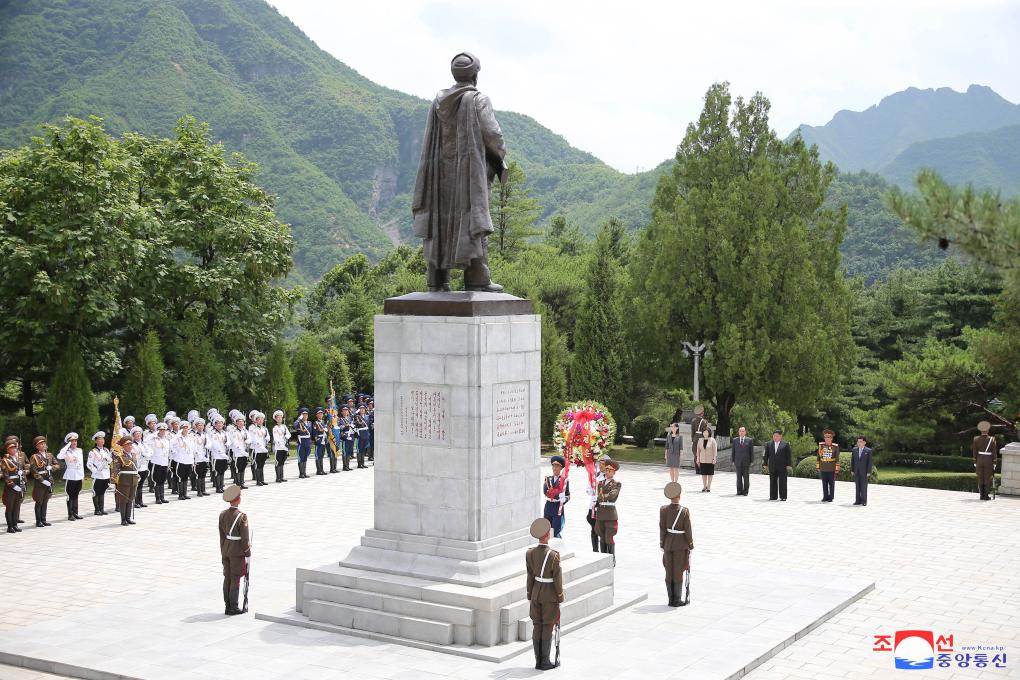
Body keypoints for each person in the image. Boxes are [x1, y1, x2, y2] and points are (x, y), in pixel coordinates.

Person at [412, 52, 507, 293]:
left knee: (439, 222)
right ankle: (477, 278)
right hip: (469, 173)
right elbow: (492, 135)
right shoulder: (478, 100)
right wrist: (500, 156)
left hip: (439, 175)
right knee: (472, 219)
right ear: (475, 74)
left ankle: (437, 279)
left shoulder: (437, 102)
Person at [526, 518, 563, 671]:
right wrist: (560, 597)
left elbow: (529, 576)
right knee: (547, 626)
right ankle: (545, 662)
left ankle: (537, 661)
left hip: (535, 593)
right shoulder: (554, 555)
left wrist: (530, 594)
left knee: (537, 626)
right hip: (549, 596)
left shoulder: (530, 553)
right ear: (548, 534)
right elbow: (557, 579)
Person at [219, 484, 251, 616]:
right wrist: (247, 552)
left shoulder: (222, 515)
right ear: (237, 499)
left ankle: (227, 605)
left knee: (227, 577)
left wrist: (223, 549)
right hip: (237, 552)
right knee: (235, 578)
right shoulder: (241, 516)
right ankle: (233, 606)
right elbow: (244, 538)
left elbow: (221, 535)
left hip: (226, 549)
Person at [659, 482, 693, 607]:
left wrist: (662, 544)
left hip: (668, 543)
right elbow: (688, 529)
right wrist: (690, 544)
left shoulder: (663, 509)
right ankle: (677, 600)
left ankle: (670, 599)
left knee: (669, 571)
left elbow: (662, 528)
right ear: (679, 495)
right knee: (678, 571)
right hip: (680, 545)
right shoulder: (684, 511)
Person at [595, 459, 621, 564]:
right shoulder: (600, 483)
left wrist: (602, 497)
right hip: (601, 513)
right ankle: (603, 558)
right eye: (606, 470)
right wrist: (602, 497)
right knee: (601, 536)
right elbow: (599, 497)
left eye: (610, 471)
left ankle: (611, 558)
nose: (608, 472)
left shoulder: (617, 484)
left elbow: (612, 495)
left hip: (610, 514)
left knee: (609, 537)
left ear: (614, 472)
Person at [29, 435, 57, 527]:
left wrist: (52, 467)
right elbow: (34, 471)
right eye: (41, 444)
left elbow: (57, 465)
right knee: (39, 501)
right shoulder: (34, 457)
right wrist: (42, 480)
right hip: (40, 482)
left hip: (49, 479)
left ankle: (44, 519)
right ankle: (38, 520)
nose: (43, 445)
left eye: (44, 443)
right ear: (37, 447)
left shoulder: (50, 455)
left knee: (45, 501)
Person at [111, 436, 139, 526]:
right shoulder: (119, 456)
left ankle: (128, 518)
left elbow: (135, 467)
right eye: (128, 445)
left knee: (130, 499)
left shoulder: (133, 455)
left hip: (133, 480)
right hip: (124, 481)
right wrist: (112, 482)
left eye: (131, 444)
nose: (130, 446)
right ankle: (123, 520)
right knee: (123, 500)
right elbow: (115, 470)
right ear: (123, 446)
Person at [58, 432, 85, 520]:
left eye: (75, 441)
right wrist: (67, 445)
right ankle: (70, 514)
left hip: (79, 475)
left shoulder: (79, 450)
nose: (74, 443)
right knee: (70, 495)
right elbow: (59, 456)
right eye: (71, 441)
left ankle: (75, 513)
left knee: (76, 494)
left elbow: (81, 464)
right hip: (71, 476)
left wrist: (82, 476)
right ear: (68, 442)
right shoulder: (66, 452)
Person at [542, 456, 570, 539]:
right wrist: (552, 493)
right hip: (548, 506)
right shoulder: (548, 479)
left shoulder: (564, 481)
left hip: (557, 506)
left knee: (556, 531)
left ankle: (557, 548)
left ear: (561, 468)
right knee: (546, 529)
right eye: (553, 466)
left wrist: (564, 499)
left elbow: (568, 494)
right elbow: (545, 491)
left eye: (557, 466)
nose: (555, 468)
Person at [2, 438, 26, 532]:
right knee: (10, 506)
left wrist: (22, 481)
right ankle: (10, 526)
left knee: (17, 506)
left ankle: (15, 525)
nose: (14, 449)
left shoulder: (18, 459)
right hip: (10, 487)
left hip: (19, 484)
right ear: (7, 450)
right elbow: (6, 476)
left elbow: (21, 472)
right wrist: (13, 486)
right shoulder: (5, 461)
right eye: (11, 448)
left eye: (15, 448)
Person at [585, 456, 608, 552]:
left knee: (603, 531)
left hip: (603, 507)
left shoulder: (608, 477)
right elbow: (588, 491)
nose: (601, 466)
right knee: (593, 529)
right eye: (600, 463)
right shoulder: (595, 475)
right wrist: (591, 487)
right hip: (593, 506)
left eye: (603, 464)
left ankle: (604, 552)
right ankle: (595, 550)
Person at [972, 421, 999, 501]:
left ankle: (981, 495)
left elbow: (974, 451)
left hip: (979, 460)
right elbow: (994, 452)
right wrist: (994, 462)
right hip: (988, 460)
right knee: (987, 478)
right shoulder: (992, 439)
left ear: (980, 430)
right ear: (988, 430)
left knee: (980, 478)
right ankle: (986, 496)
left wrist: (974, 461)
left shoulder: (976, 439)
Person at [763, 430, 793, 501]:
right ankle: (773, 496)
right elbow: (766, 455)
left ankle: (783, 496)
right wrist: (765, 464)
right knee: (772, 481)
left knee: (783, 481)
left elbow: (788, 455)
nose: (775, 437)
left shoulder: (785, 444)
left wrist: (788, 464)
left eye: (777, 436)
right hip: (772, 466)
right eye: (774, 436)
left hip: (782, 466)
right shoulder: (769, 444)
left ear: (780, 436)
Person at [87, 431, 112, 515]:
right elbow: (89, 464)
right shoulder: (93, 452)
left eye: (102, 439)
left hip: (106, 475)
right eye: (99, 439)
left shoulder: (106, 450)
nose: (101, 441)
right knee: (96, 492)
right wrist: (96, 471)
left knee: (102, 492)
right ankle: (97, 509)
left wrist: (107, 458)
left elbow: (110, 461)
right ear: (96, 441)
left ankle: (102, 509)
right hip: (97, 475)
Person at [148, 422, 171, 504]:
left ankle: (162, 497)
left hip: (164, 462)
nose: (162, 431)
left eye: (164, 430)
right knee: (156, 480)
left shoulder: (166, 440)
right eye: (160, 430)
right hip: (156, 462)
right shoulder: (153, 438)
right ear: (157, 431)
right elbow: (146, 440)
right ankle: (157, 498)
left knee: (162, 479)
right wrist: (155, 433)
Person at [171, 421, 195, 500]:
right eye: (183, 428)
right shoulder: (177, 438)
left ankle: (185, 494)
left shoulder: (190, 437)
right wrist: (178, 434)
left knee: (186, 477)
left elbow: (193, 448)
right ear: (180, 429)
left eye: (186, 428)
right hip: (180, 460)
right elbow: (171, 444)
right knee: (180, 477)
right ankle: (180, 494)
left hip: (189, 460)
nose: (185, 430)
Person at [208, 415, 230, 494]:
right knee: (217, 471)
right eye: (218, 424)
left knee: (222, 471)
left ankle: (221, 486)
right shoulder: (212, 433)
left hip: (224, 455)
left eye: (221, 423)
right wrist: (221, 452)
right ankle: (218, 488)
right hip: (217, 455)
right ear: (215, 424)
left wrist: (228, 443)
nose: (220, 425)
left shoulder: (224, 433)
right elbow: (214, 444)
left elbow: (229, 441)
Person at [817, 429, 840, 502]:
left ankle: (831, 497)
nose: (827, 439)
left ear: (831, 438)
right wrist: (818, 466)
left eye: (828, 437)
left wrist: (837, 468)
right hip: (823, 467)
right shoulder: (821, 446)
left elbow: (837, 458)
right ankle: (825, 496)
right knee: (824, 483)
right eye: (825, 437)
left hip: (831, 468)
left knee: (831, 483)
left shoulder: (835, 446)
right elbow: (818, 457)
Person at [247, 411, 269, 487]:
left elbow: (267, 436)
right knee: (257, 464)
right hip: (257, 449)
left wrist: (267, 438)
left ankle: (262, 479)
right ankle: (258, 480)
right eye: (258, 419)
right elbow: (254, 439)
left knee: (262, 465)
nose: (260, 421)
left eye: (262, 419)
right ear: (256, 420)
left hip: (263, 449)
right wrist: (261, 446)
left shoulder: (264, 428)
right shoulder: (253, 428)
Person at [850, 436, 874, 506]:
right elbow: (852, 461)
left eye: (860, 441)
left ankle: (864, 501)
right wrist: (852, 470)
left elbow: (870, 462)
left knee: (863, 487)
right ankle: (857, 501)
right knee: (857, 486)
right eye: (858, 441)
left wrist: (869, 472)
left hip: (864, 472)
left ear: (864, 442)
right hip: (856, 471)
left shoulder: (868, 451)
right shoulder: (854, 450)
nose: (859, 443)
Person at [228, 413, 249, 489]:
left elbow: (249, 438)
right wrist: (241, 451)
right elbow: (235, 443)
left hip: (244, 453)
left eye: (242, 422)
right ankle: (238, 484)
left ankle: (242, 483)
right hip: (237, 453)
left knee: (243, 468)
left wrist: (247, 441)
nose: (241, 423)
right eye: (239, 422)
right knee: (237, 468)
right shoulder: (234, 432)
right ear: (236, 423)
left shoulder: (245, 431)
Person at [131, 427, 150, 508]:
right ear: (133, 436)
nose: (138, 436)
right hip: (137, 468)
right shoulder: (132, 445)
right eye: (136, 435)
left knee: (141, 485)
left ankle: (141, 501)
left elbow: (150, 451)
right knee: (136, 485)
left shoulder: (144, 444)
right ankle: (135, 502)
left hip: (144, 467)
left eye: (139, 434)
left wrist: (146, 455)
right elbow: (133, 455)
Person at [732, 426, 754, 496]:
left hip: (746, 462)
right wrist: (733, 460)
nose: (741, 432)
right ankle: (739, 491)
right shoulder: (735, 440)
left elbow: (751, 452)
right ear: (738, 432)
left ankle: (745, 491)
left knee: (746, 478)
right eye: (740, 431)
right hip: (737, 462)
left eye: (743, 431)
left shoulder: (749, 440)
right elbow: (733, 451)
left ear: (745, 432)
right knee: (738, 478)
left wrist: (752, 461)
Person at [696, 425, 717, 492]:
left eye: (706, 432)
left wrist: (714, 458)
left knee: (710, 474)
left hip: (710, 460)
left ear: (709, 433)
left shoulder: (712, 440)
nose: (705, 433)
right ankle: (704, 486)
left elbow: (715, 450)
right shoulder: (700, 440)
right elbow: (698, 450)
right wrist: (698, 458)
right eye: (704, 432)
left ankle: (709, 487)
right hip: (702, 460)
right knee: (704, 474)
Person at [192, 418, 210, 496]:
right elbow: (194, 447)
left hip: (205, 457)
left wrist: (208, 445)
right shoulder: (193, 435)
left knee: (203, 474)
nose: (201, 427)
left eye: (202, 425)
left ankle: (203, 490)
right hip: (198, 458)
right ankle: (199, 491)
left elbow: (210, 444)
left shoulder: (205, 434)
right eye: (199, 425)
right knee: (198, 474)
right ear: (196, 426)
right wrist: (199, 455)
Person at [271, 410, 290, 483]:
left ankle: (281, 477)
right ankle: (278, 478)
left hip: (284, 447)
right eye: (278, 418)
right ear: (275, 419)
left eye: (281, 417)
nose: (280, 419)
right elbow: (276, 439)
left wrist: (287, 436)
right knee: (278, 462)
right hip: (279, 448)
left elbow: (289, 434)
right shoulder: (275, 428)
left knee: (282, 462)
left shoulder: (284, 426)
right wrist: (282, 446)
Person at [293, 408, 311, 479]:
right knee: (301, 457)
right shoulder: (299, 423)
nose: (305, 416)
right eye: (303, 414)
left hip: (307, 441)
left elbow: (311, 433)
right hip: (302, 441)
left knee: (305, 457)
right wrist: (298, 419)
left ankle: (304, 472)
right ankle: (301, 473)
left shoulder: (309, 423)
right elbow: (295, 425)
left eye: (306, 414)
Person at [690, 405, 708, 475]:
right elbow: (705, 432)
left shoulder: (693, 421)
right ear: (702, 413)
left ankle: (697, 470)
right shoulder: (704, 422)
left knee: (695, 455)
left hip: (695, 439)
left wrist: (693, 439)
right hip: (702, 439)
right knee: (701, 455)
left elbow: (692, 431)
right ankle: (701, 469)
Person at [311, 407, 328, 476]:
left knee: (321, 455)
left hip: (323, 440)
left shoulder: (323, 422)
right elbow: (315, 433)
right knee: (318, 456)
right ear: (316, 415)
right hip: (319, 441)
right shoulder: (315, 423)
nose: (321, 415)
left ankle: (322, 470)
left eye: (321, 413)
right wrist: (317, 440)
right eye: (319, 414)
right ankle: (318, 470)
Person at [339, 406, 356, 471]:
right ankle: (345, 466)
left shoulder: (350, 419)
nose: (346, 411)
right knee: (345, 451)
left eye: (347, 410)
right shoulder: (340, 419)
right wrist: (344, 426)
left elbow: (354, 425)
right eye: (344, 410)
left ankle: (348, 466)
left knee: (349, 451)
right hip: (345, 436)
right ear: (342, 412)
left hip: (351, 436)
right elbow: (339, 426)